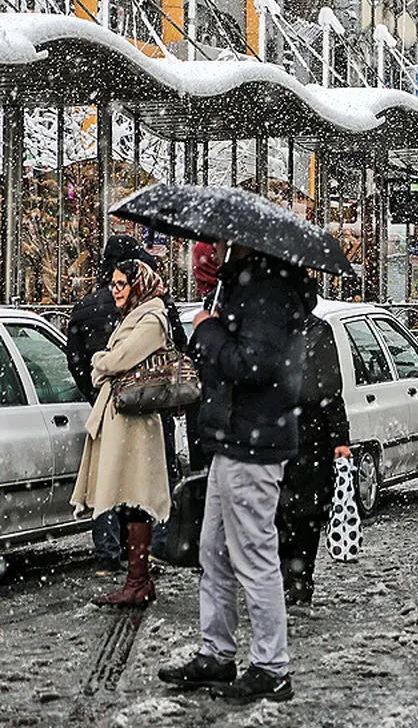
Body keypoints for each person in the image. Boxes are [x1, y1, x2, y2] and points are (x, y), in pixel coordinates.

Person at [158, 239, 308, 703]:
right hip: (235, 438)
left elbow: (254, 365)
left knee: (254, 556)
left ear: (243, 243)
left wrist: (208, 331)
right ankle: (217, 653)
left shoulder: (266, 292)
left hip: (253, 442)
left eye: (222, 242)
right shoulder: (248, 287)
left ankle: (271, 666)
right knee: (215, 552)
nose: (216, 248)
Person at [69, 259, 175, 607]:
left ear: (137, 284)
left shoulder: (151, 318)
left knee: (136, 497)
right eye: (112, 283)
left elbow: (118, 360)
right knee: (128, 498)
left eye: (120, 284)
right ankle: (136, 579)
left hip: (135, 422)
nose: (114, 290)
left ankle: (138, 581)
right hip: (125, 419)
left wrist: (101, 361)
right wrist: (107, 361)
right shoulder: (136, 316)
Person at [276, 281, 351, 606]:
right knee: (287, 511)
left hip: (304, 436)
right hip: (290, 435)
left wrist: (339, 439)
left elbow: (330, 388)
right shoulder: (280, 331)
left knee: (299, 511)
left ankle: (297, 576)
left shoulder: (315, 332)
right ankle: (292, 576)